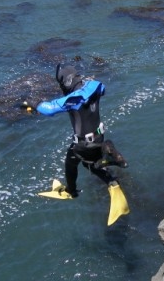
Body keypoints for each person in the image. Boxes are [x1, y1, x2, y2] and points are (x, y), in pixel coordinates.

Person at [35, 64, 128, 199]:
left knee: (72, 162)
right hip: (99, 138)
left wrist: (35, 104)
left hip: (83, 145)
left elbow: (49, 109)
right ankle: (109, 156)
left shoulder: (73, 99)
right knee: (92, 161)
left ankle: (72, 191)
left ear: (67, 82)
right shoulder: (95, 85)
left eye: (62, 84)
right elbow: (102, 89)